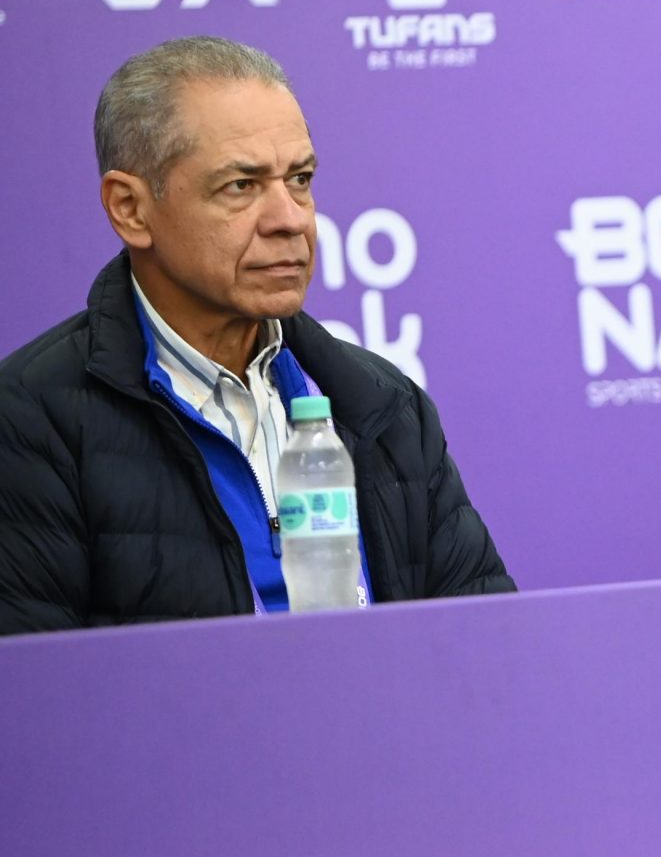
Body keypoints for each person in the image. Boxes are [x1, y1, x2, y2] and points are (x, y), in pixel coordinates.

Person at [0, 38, 513, 633]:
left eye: (300, 179)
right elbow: (35, 685)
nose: (290, 219)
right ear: (131, 209)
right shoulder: (29, 421)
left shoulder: (385, 405)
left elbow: (487, 649)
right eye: (241, 186)